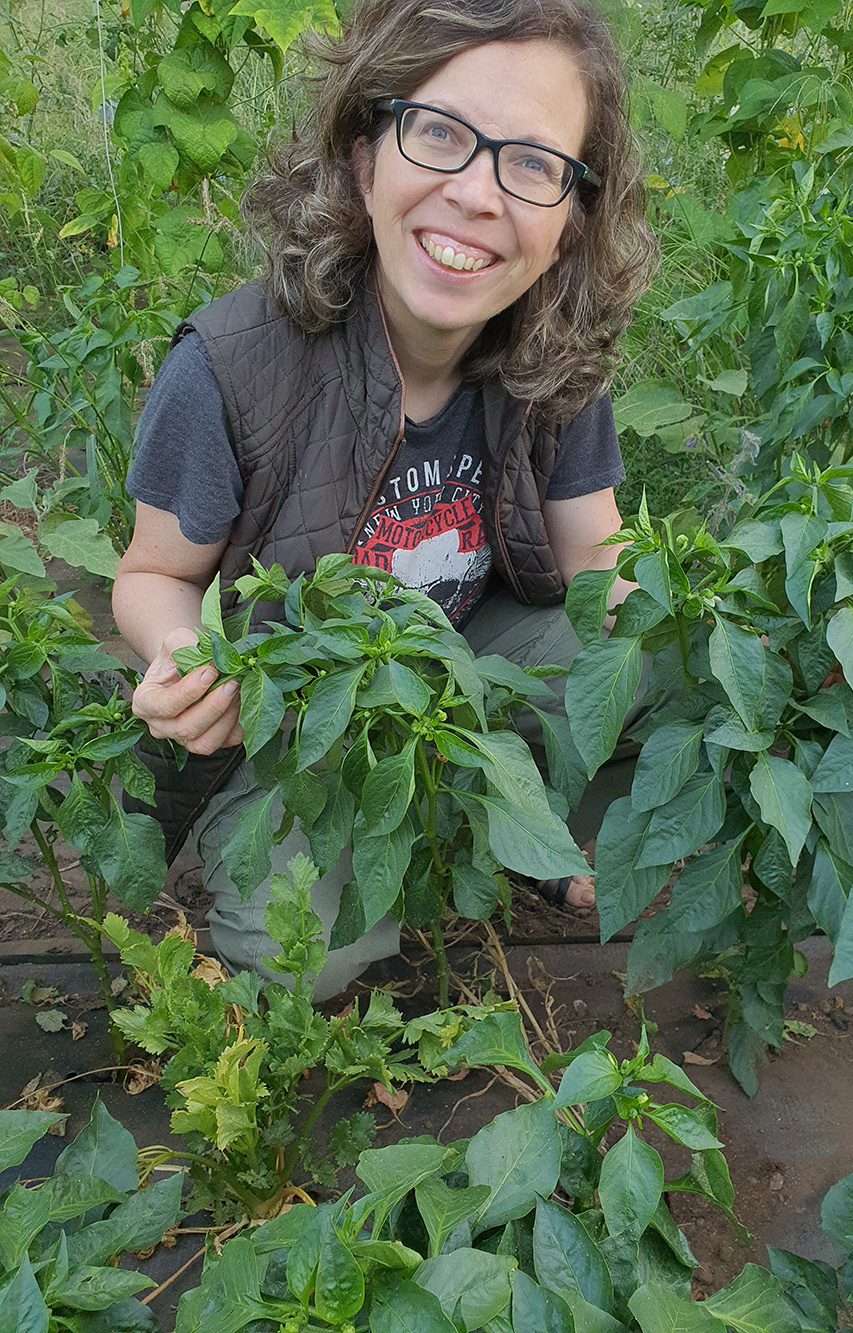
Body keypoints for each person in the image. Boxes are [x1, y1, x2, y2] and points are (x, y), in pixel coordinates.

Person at [112, 0, 657, 1000]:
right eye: (439, 133)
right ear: (365, 155)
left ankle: (525, 822)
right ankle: (400, 835)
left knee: (644, 648)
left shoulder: (554, 360)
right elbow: (153, 573)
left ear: (570, 216)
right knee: (299, 960)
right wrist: (184, 651)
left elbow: (598, 564)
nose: (477, 194)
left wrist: (709, 670)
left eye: (533, 164)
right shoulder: (233, 368)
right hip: (298, 731)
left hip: (455, 673)